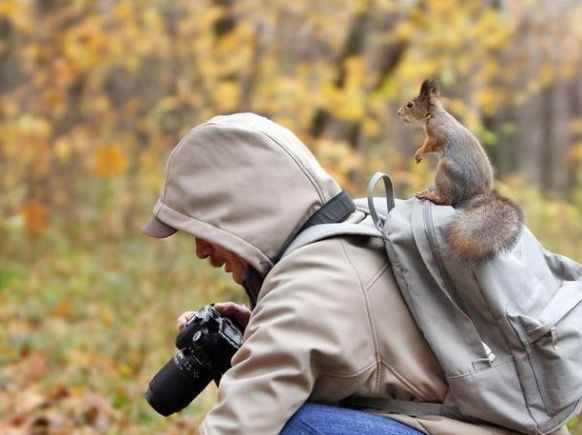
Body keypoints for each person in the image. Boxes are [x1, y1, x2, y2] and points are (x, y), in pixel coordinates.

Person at [142, 113, 541, 435]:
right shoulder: (358, 226)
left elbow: (238, 428)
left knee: (292, 428)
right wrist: (257, 333)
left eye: (204, 229)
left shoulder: (309, 287)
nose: (200, 250)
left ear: (240, 212)